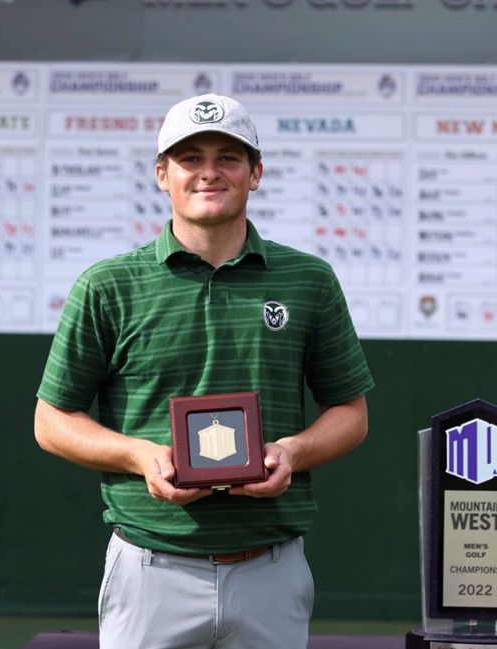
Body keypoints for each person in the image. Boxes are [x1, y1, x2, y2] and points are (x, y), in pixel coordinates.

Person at [34, 93, 374, 649]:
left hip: (272, 568)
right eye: (190, 158)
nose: (208, 172)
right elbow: (51, 421)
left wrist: (291, 452)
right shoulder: (107, 285)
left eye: (228, 157)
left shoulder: (309, 280)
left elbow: (351, 414)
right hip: (150, 569)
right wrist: (139, 455)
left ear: (255, 173)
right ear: (162, 174)